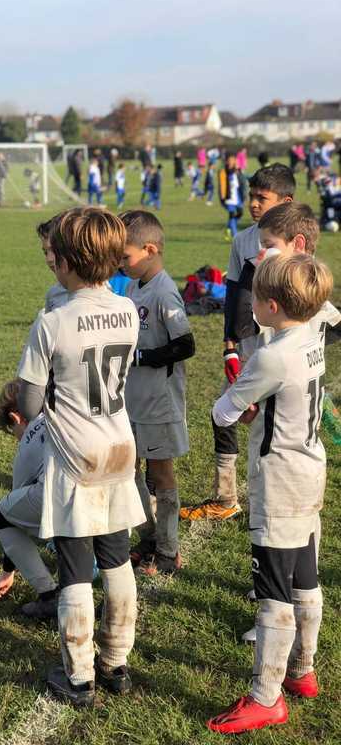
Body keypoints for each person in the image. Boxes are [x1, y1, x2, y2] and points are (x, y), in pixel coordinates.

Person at [18, 207, 144, 707]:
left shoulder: (53, 320)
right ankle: (117, 662)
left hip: (75, 453)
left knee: (74, 565)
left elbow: (29, 402)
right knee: (116, 558)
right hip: (120, 445)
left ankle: (79, 676)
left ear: (68, 260)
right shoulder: (128, 309)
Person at [207, 254, 332, 734]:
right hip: (309, 465)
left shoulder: (272, 355)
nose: (248, 301)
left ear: (272, 305)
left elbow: (223, 411)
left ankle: (266, 696)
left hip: (279, 477)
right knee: (305, 574)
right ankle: (303, 670)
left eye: (255, 294)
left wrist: (240, 398)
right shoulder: (314, 329)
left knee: (273, 589)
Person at [180, 164, 295, 523]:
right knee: (223, 413)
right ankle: (226, 496)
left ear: (286, 202)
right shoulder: (243, 241)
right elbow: (234, 298)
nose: (254, 204)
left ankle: (280, 504)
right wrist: (230, 346)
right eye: (252, 197)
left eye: (263, 198)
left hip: (282, 354)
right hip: (248, 347)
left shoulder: (298, 245)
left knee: (272, 433)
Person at [120, 211, 195, 575]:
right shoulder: (134, 287)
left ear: (150, 249)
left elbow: (185, 344)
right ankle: (149, 535)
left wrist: (144, 356)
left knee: (161, 474)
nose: (121, 264)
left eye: (125, 256)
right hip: (132, 398)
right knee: (128, 467)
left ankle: (168, 550)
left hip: (159, 401)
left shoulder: (165, 291)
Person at [0, 380, 59, 619]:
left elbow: (12, 515)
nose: (15, 437)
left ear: (16, 418)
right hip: (109, 489)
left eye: (11, 431)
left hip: (63, 498)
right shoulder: (63, 411)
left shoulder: (29, 438)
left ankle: (49, 595)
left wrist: (8, 571)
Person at [218, 153, 245, 240]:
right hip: (228, 198)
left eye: (233, 160)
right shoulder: (223, 172)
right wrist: (222, 198)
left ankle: (228, 228)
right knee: (232, 215)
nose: (232, 162)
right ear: (226, 161)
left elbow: (242, 182)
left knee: (240, 213)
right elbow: (221, 185)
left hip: (237, 197)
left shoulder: (237, 171)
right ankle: (235, 235)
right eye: (230, 160)